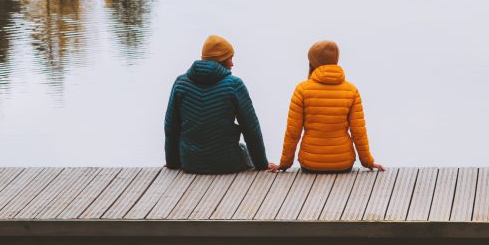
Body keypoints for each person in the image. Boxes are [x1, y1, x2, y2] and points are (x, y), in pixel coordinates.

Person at [164, 34, 277, 174]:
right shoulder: (234, 85)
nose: (232, 63)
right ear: (222, 60)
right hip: (227, 163)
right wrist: (262, 164)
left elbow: (171, 127)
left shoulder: (181, 83)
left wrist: (172, 163)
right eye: (230, 58)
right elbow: (251, 129)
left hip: (190, 163)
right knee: (243, 149)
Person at [275, 40, 384, 173]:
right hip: (343, 164)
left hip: (311, 164)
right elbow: (358, 133)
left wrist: (284, 164)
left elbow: (293, 132)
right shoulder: (351, 91)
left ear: (313, 62)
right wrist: (368, 162)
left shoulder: (302, 90)